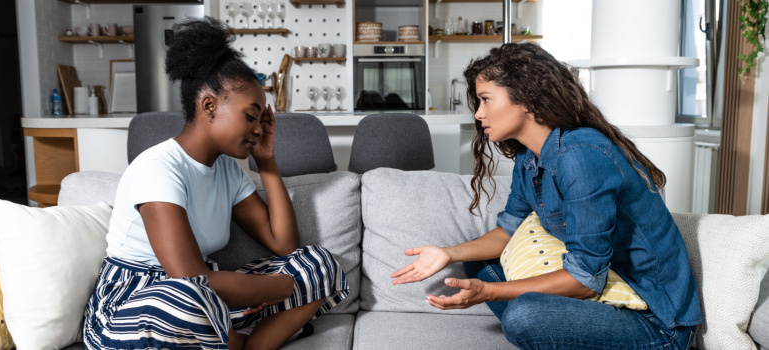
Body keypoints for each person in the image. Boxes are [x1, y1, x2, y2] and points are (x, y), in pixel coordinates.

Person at [391, 43, 701, 349]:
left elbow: (585, 280)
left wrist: (488, 292)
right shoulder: (529, 156)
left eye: (486, 99)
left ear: (526, 99)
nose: (479, 113)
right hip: (600, 295)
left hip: (655, 321)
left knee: (523, 316)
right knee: (478, 260)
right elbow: (508, 232)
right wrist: (448, 254)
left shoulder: (581, 157)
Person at [83, 17, 349, 350]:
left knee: (318, 264)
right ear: (209, 105)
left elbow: (283, 244)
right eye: (250, 116)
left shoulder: (228, 171)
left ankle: (243, 344)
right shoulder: (157, 168)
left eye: (260, 120)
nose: (257, 129)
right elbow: (188, 278)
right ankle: (230, 334)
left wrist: (266, 162)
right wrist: (277, 288)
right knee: (189, 296)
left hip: (209, 295)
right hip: (138, 303)